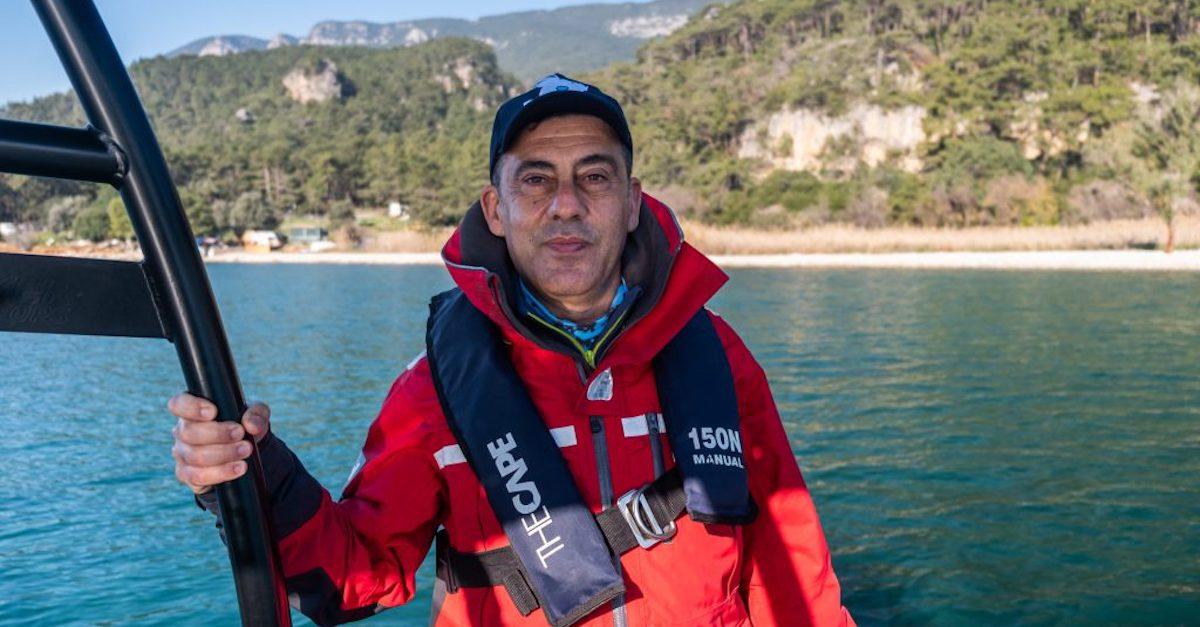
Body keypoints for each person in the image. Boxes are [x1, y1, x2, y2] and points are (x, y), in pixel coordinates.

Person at [168, 73, 855, 626]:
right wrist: (254, 481)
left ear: (633, 202)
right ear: (495, 209)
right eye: (535, 178)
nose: (566, 203)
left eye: (594, 176)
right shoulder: (435, 390)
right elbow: (355, 582)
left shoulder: (718, 356)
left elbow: (795, 568)